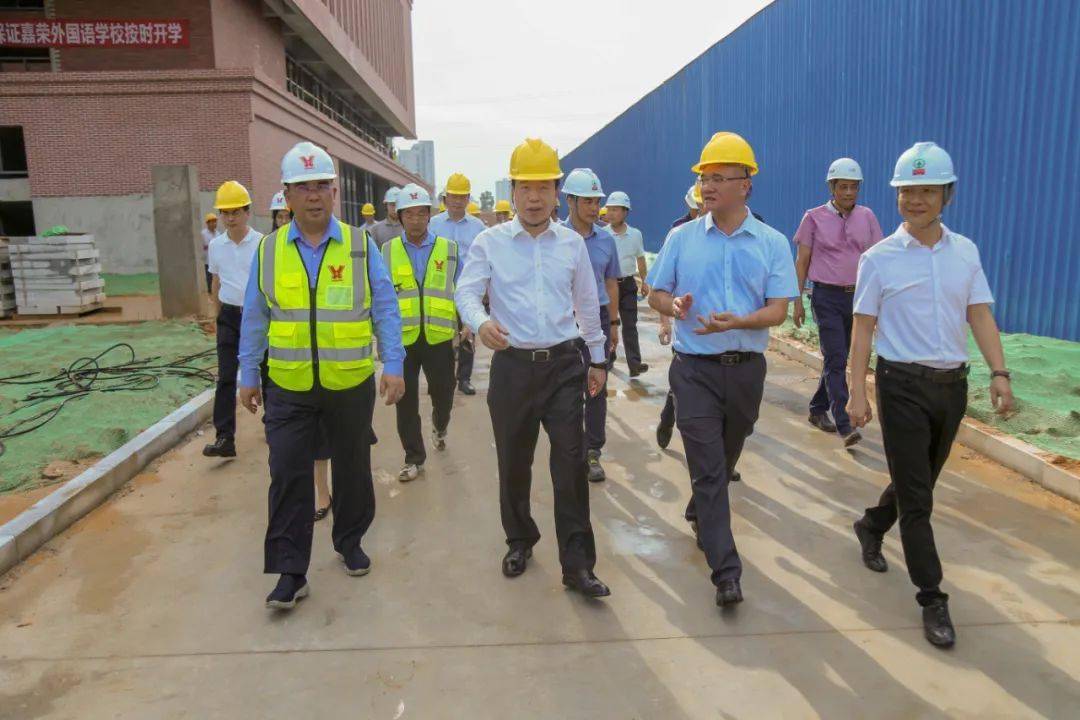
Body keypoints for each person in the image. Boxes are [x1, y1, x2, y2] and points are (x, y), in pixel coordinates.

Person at [847, 141, 1014, 648]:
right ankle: (932, 597)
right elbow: (862, 329)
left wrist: (1000, 373)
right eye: (906, 191)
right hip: (900, 387)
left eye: (927, 191)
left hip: (951, 389)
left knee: (916, 483)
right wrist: (856, 392)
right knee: (919, 500)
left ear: (947, 196)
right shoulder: (878, 259)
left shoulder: (965, 252)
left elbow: (979, 314)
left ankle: (872, 524)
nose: (915, 200)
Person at [238, 141, 406, 611]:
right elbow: (255, 315)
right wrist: (248, 373)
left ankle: (350, 541)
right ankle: (290, 571)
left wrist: (393, 364)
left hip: (349, 382)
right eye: (303, 187)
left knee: (352, 470)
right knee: (287, 474)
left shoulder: (359, 245)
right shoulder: (269, 250)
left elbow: (385, 306)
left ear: (334, 192)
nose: (313, 195)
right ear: (287, 195)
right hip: (288, 385)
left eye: (321, 186)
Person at [455, 137, 611, 598]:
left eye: (544, 187)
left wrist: (597, 358)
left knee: (570, 464)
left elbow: (588, 304)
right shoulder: (490, 243)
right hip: (513, 368)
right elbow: (466, 291)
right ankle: (519, 539)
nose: (535, 198)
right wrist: (480, 322)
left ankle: (578, 565)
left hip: (563, 365)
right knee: (514, 461)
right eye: (526, 187)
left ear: (557, 193)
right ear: (514, 190)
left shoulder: (572, 245)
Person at [647, 131, 797, 608]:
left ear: (745, 184)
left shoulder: (771, 243)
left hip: (747, 370)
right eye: (704, 179)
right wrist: (673, 305)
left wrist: (740, 321)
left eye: (718, 178)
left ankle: (699, 511)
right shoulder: (681, 238)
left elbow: (778, 310)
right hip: (693, 370)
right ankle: (726, 572)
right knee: (711, 471)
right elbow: (655, 294)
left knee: (726, 455)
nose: (707, 187)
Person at [793, 158, 883, 447]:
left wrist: (880, 301)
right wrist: (796, 300)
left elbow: (877, 260)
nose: (848, 192)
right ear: (832, 187)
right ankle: (845, 424)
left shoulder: (867, 217)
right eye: (843, 187)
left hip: (858, 298)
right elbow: (802, 261)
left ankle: (817, 408)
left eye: (854, 187)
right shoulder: (813, 218)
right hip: (825, 297)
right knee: (835, 357)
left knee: (840, 358)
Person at [381, 183, 461, 482]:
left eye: (421, 214)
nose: (415, 220)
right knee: (405, 401)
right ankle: (413, 458)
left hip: (439, 337)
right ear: (400, 217)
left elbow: (463, 290)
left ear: (430, 215)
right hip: (402, 340)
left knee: (444, 393)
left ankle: (440, 425)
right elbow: (380, 296)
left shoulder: (449, 250)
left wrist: (467, 323)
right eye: (409, 214)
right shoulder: (387, 251)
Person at [563, 168, 620, 483]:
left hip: (597, 317)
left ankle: (593, 450)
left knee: (596, 384)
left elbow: (611, 283)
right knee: (566, 387)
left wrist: (613, 323)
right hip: (564, 319)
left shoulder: (606, 240)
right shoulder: (555, 238)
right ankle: (570, 446)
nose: (594, 207)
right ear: (570, 201)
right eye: (587, 201)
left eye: (596, 201)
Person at [203, 181, 263, 459]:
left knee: (269, 372)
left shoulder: (262, 243)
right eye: (225, 213)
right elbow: (216, 281)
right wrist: (216, 314)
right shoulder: (216, 246)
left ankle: (275, 423)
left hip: (258, 316)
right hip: (228, 316)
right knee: (226, 377)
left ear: (247, 212)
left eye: (235, 212)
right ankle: (224, 437)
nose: (230, 218)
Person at [430, 173, 488, 396]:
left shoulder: (478, 227)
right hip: (441, 288)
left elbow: (485, 260)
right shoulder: (434, 224)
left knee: (468, 333)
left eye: (461, 197)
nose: (457, 201)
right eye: (453, 196)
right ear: (446, 198)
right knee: (441, 335)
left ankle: (464, 378)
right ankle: (443, 377)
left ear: (468, 199)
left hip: (468, 288)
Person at [606, 191, 650, 376]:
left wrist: (645, 282)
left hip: (628, 285)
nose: (611, 213)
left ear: (625, 212)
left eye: (615, 209)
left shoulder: (635, 235)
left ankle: (634, 364)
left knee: (630, 325)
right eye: (609, 209)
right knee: (609, 323)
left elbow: (640, 259)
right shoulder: (603, 234)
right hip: (608, 285)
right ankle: (608, 359)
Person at [201, 213, 218, 295]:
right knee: (209, 277)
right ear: (207, 223)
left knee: (217, 277)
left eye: (215, 221)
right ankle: (210, 293)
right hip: (207, 260)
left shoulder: (218, 234)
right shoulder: (203, 234)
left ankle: (216, 292)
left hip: (217, 260)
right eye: (212, 221)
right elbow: (201, 247)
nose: (214, 223)